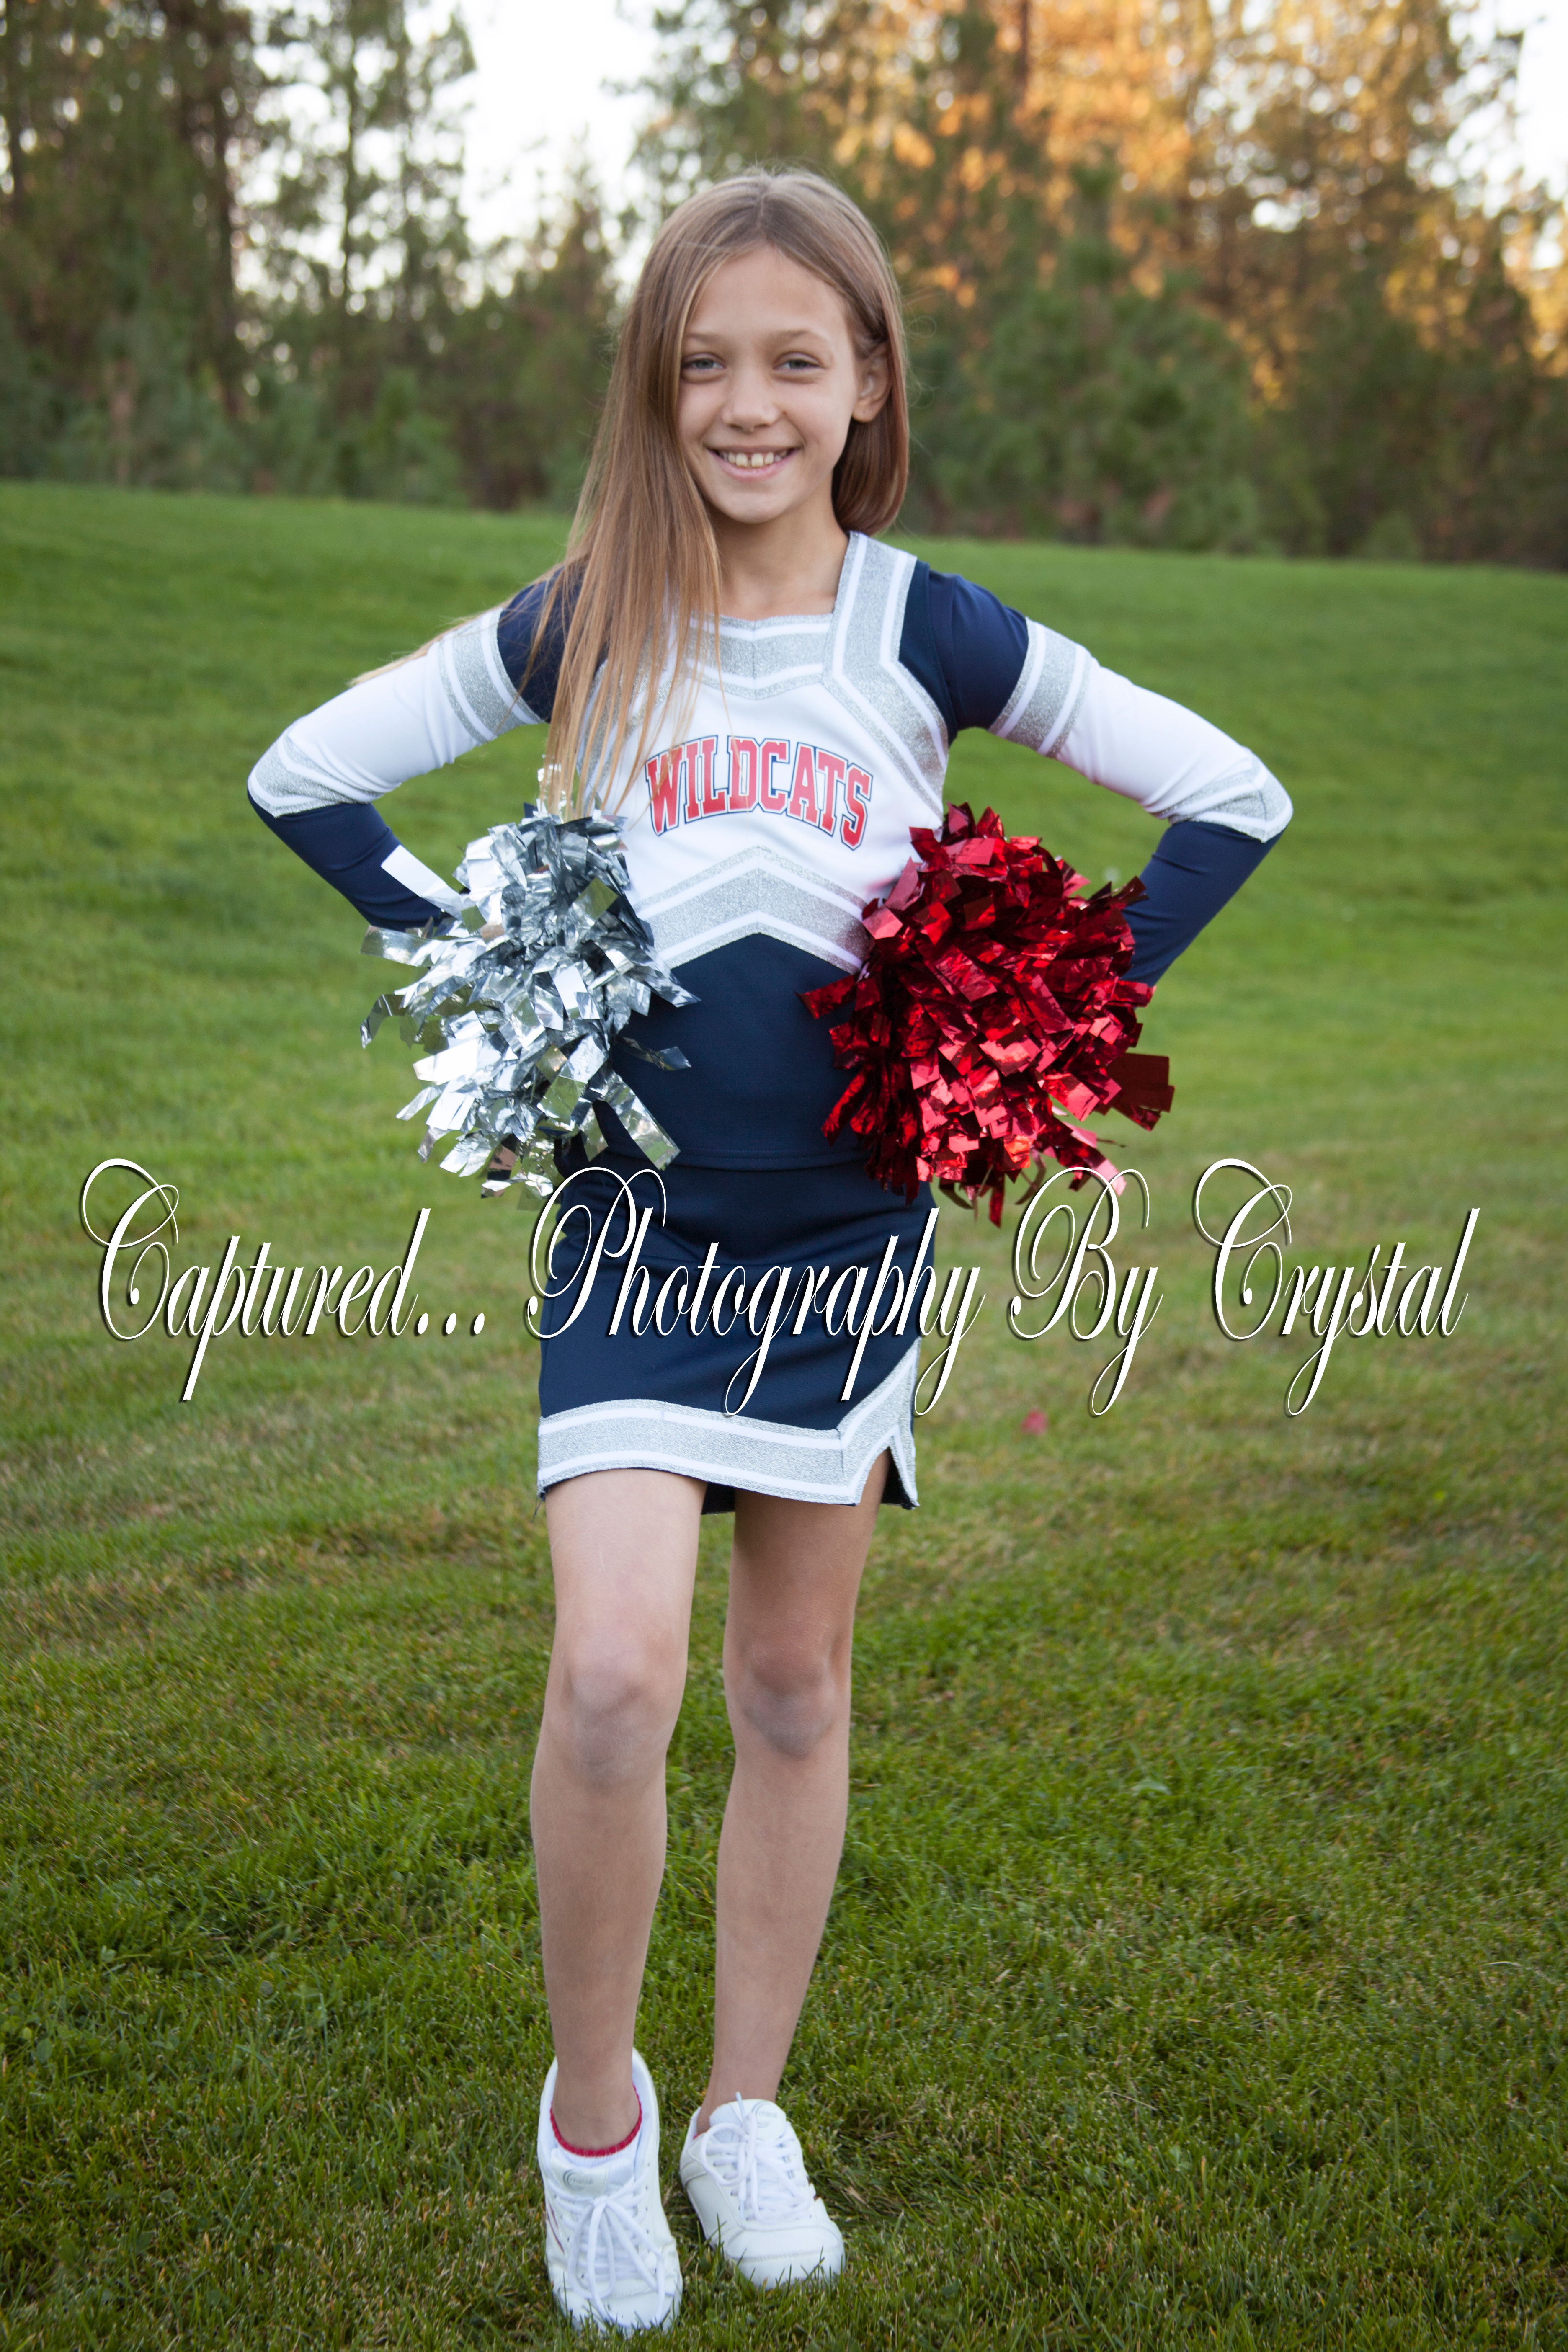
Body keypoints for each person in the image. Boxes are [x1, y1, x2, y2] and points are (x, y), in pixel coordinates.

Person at [248, 168, 1291, 2333]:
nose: (747, 402)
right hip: (639, 1231)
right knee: (614, 1674)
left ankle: (743, 2113)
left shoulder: (928, 627)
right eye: (704, 360)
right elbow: (306, 776)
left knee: (795, 1688)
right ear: (656, 381)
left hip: (845, 1233)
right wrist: (497, 975)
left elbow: (1233, 797)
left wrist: (1048, 1020)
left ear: (869, 381)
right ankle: (596, 2128)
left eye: (795, 360)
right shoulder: (590, 615)